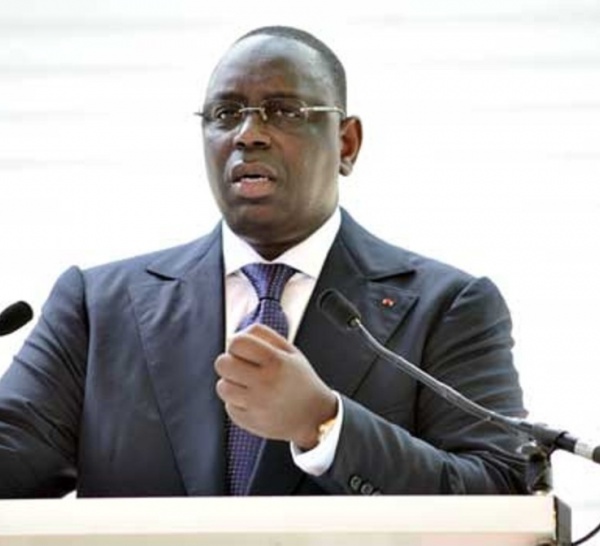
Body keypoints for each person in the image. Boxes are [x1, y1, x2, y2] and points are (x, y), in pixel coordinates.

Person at [0, 26, 528, 497]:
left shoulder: (448, 306)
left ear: (346, 144)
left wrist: (325, 425)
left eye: (284, 112)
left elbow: (501, 488)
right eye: (225, 114)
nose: (248, 134)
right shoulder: (97, 307)